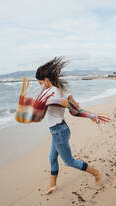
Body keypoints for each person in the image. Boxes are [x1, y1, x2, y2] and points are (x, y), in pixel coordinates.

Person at [36, 57, 102, 195]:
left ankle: (96, 173)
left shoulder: (52, 92)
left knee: (69, 161)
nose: (40, 85)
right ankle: (53, 185)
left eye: (40, 82)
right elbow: (75, 107)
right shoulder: (60, 88)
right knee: (52, 157)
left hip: (59, 131)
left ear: (46, 80)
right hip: (59, 130)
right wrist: (91, 115)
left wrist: (57, 101)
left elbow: (56, 106)